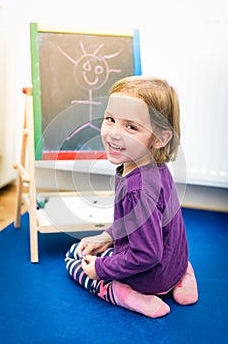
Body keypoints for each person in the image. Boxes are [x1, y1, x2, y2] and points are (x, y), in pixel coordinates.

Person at [65, 76, 198, 318]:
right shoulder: (155, 168)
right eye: (110, 119)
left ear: (160, 138)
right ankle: (184, 274)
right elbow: (138, 223)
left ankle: (127, 295)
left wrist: (100, 268)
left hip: (149, 280)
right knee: (97, 247)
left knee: (74, 257)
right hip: (173, 264)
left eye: (131, 127)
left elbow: (146, 255)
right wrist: (107, 237)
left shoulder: (136, 190)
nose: (114, 134)